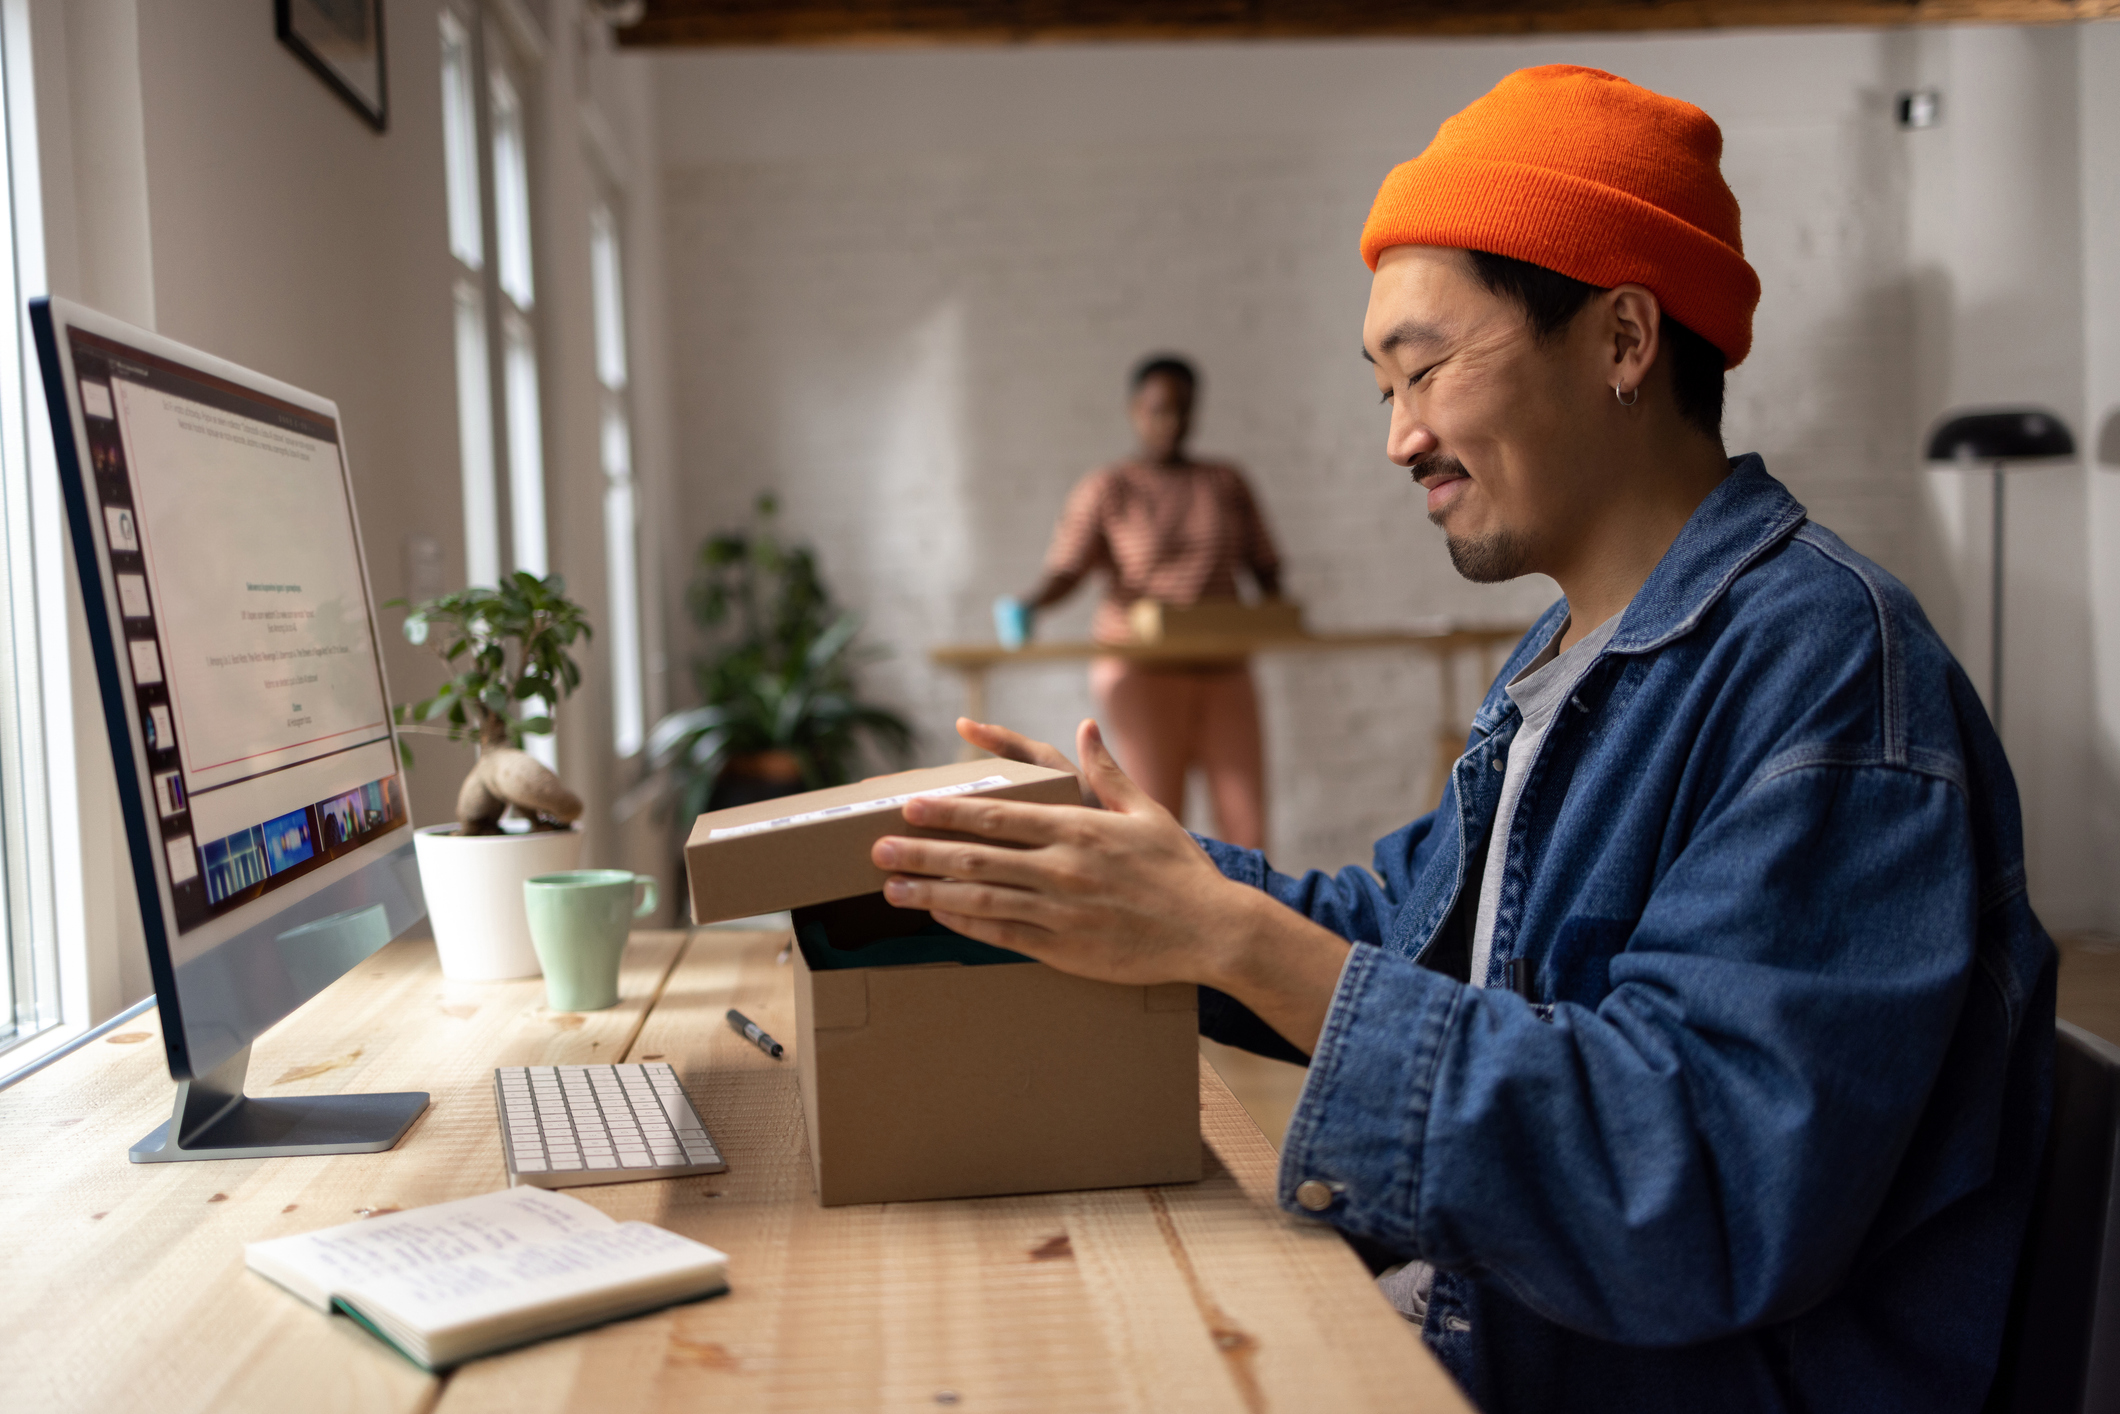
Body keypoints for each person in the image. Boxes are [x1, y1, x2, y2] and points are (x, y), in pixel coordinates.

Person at [873, 66, 2054, 1414]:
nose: (1399, 436)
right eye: (1383, 382)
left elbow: (1692, 1182)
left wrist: (1234, 940)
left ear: (1622, 341)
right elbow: (1415, 923)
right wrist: (1140, 880)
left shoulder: (1826, 672)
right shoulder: (1574, 654)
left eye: (1427, 367)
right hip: (1492, 1321)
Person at [1005, 355, 1282, 850]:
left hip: (1223, 666)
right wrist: (1031, 605)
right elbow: (1070, 566)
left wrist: (1284, 617)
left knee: (1246, 826)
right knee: (1156, 820)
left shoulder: (1223, 483)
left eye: (1182, 410)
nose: (1171, 423)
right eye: (1158, 410)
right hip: (1141, 668)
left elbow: (1264, 564)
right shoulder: (1110, 488)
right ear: (1135, 410)